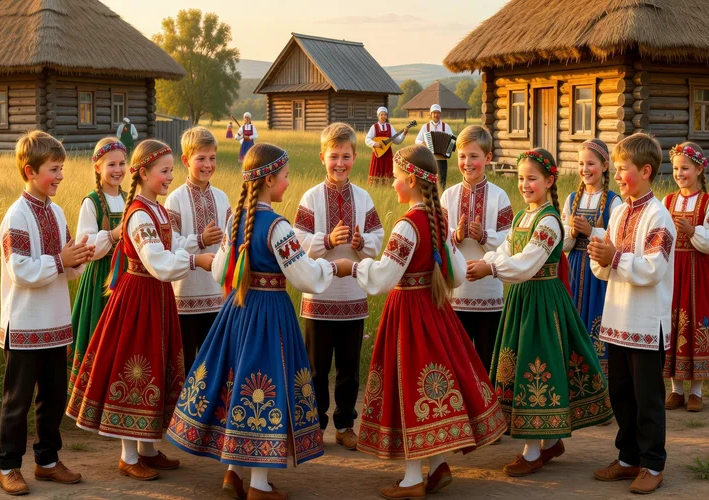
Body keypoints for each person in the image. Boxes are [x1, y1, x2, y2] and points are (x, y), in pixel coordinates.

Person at [167, 144, 337, 500]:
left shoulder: (236, 220)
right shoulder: (278, 227)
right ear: (270, 180)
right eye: (286, 177)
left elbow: (218, 272)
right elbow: (305, 277)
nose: (288, 183)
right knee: (265, 389)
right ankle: (259, 485)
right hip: (270, 315)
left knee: (237, 383)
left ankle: (233, 473)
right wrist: (332, 267)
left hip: (237, 311)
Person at [336, 145, 506, 499]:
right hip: (436, 310)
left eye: (397, 178)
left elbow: (383, 279)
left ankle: (412, 480)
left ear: (411, 180)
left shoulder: (407, 226)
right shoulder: (438, 218)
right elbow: (457, 275)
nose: (393, 184)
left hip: (409, 314)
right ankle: (439, 464)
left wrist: (352, 267)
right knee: (433, 386)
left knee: (409, 387)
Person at [67, 140, 214, 481]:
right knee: (136, 367)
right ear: (144, 173)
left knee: (155, 366)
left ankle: (147, 448)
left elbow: (174, 245)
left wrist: (199, 245)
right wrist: (195, 260)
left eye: (171, 171)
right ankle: (128, 455)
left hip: (157, 299)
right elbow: (158, 261)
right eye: (164, 171)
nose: (169, 177)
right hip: (137, 300)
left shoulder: (158, 210)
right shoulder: (138, 213)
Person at [467, 148, 613, 477]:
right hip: (522, 299)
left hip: (543, 302)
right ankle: (550, 444)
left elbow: (528, 261)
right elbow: (506, 250)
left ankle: (532, 452)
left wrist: (491, 270)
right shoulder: (522, 217)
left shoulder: (549, 221)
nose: (525, 184)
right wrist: (486, 262)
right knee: (518, 363)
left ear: (549, 181)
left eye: (532, 178)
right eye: (521, 178)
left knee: (536, 364)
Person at [0, 130, 93, 495]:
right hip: (24, 325)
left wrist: (77, 258)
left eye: (62, 168)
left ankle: (47, 462)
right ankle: (8, 466)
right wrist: (60, 260)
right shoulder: (16, 216)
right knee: (17, 403)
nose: (61, 176)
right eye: (54, 169)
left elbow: (65, 266)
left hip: (56, 324)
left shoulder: (55, 211)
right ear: (29, 170)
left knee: (53, 399)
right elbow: (19, 270)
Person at [589, 133, 675, 494]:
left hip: (644, 322)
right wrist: (601, 258)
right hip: (617, 319)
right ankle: (628, 459)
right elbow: (606, 266)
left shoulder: (660, 216)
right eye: (618, 169)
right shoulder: (620, 210)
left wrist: (615, 258)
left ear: (645, 170)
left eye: (624, 169)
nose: (619, 175)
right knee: (621, 393)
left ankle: (652, 463)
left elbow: (654, 268)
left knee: (647, 398)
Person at [293, 123, 384, 451]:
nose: (340, 163)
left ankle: (345, 424)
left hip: (353, 297)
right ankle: (314, 426)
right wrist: (327, 240)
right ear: (322, 157)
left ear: (356, 157)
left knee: (348, 367)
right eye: (334, 156)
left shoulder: (364, 197)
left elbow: (379, 237)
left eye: (346, 156)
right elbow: (298, 242)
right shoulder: (311, 197)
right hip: (318, 297)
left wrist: (363, 242)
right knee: (316, 367)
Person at [662, 142, 709, 412]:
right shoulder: (667, 201)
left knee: (696, 323)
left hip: (697, 272)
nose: (679, 173)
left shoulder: (708, 203)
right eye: (676, 168)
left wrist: (692, 231)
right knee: (673, 324)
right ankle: (676, 390)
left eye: (685, 168)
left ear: (699, 169)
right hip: (671, 272)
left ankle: (697, 392)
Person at [441, 125, 513, 370]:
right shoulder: (448, 196)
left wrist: (485, 236)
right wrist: (456, 235)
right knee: (457, 362)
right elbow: (439, 238)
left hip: (489, 295)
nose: (467, 162)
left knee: (486, 361)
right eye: (462, 156)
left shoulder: (499, 196)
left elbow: (510, 240)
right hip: (455, 295)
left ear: (488, 158)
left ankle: (488, 407)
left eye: (474, 156)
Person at [164, 126, 231, 375]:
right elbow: (169, 245)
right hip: (183, 298)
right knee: (185, 367)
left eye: (212, 158)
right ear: (185, 160)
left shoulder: (222, 198)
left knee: (213, 366)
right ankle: (182, 413)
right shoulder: (175, 199)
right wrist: (199, 240)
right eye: (200, 158)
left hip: (216, 297)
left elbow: (231, 239)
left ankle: (210, 414)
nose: (207, 164)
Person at [68, 138, 127, 397]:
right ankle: (92, 392)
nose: (118, 169)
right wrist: (113, 234)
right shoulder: (91, 202)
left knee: (122, 334)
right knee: (98, 331)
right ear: (97, 167)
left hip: (127, 275)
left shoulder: (130, 198)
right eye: (111, 164)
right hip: (101, 278)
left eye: (122, 163)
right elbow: (86, 243)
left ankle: (118, 388)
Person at [561, 139, 621, 380]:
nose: (585, 169)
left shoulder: (615, 202)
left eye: (591, 163)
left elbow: (618, 242)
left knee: (598, 323)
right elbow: (563, 244)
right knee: (574, 324)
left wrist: (591, 232)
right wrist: (573, 233)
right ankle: (576, 385)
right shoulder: (571, 199)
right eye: (581, 163)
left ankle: (602, 385)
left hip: (601, 275)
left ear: (605, 166)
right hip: (575, 269)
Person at [364, 107, 408, 185]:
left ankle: (387, 187)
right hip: (378, 154)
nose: (383, 116)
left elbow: (397, 141)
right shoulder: (374, 127)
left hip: (387, 154)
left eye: (385, 115)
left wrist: (403, 134)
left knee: (388, 172)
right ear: (378, 116)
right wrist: (375, 144)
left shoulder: (389, 127)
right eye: (381, 115)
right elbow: (367, 140)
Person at [415, 104, 454, 189]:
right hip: (429, 157)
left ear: (440, 114)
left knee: (442, 181)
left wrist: (449, 149)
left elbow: (453, 141)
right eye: (434, 113)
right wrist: (422, 143)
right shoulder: (425, 127)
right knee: (428, 180)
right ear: (431, 114)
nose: (436, 115)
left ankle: (441, 196)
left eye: (438, 113)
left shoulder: (445, 126)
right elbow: (417, 141)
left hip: (442, 158)